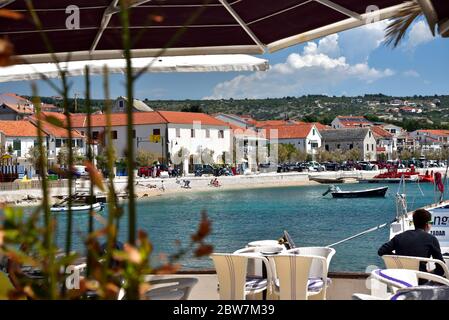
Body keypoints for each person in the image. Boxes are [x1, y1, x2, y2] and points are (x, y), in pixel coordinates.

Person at [378, 209, 445, 277]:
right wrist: (428, 274)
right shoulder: (431, 239)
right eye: (431, 222)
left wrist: (397, 258)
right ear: (427, 224)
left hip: (400, 279)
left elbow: (381, 251)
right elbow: (441, 269)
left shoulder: (399, 237)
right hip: (420, 281)